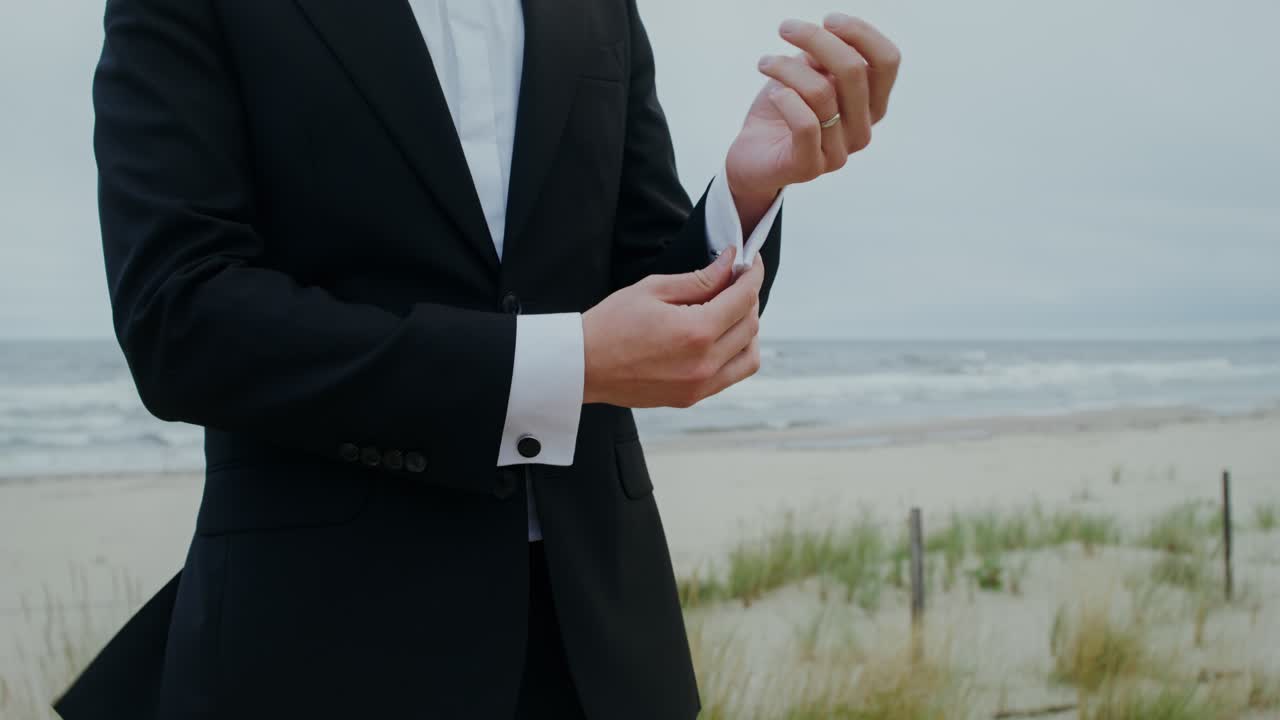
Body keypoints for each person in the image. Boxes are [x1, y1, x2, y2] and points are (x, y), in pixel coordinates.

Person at [56, 1, 900, 718]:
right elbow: (181, 318)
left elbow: (645, 297)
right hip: (318, 648)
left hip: (603, 650)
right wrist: (557, 363)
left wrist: (745, 195)